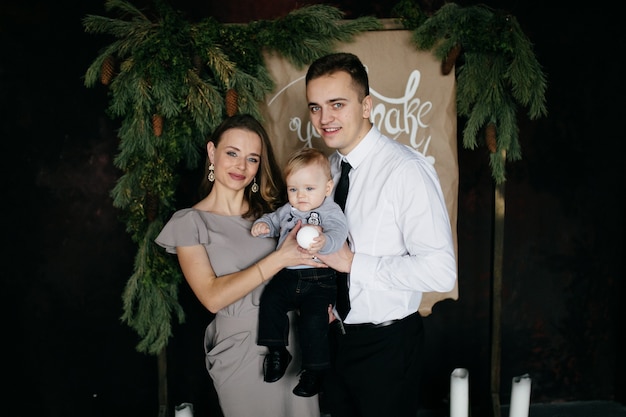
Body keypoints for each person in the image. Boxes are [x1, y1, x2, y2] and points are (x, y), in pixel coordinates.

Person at [305, 52, 458, 417]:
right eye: (315, 107)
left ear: (366, 106)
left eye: (337, 104)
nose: (324, 119)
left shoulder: (406, 170)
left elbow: (441, 271)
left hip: (386, 346)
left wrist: (354, 263)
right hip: (335, 339)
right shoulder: (328, 170)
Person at [154, 114, 321, 417]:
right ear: (211, 153)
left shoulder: (276, 216)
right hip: (240, 349)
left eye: (252, 159)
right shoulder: (189, 222)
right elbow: (212, 296)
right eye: (232, 153)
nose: (241, 167)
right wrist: (279, 258)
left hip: (293, 340)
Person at [251, 147, 348, 397]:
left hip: (319, 280)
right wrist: (264, 224)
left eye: (308, 189)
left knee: (314, 321)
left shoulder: (329, 211)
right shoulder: (288, 210)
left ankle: (313, 372)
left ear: (327, 188)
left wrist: (326, 241)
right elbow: (274, 220)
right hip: (288, 275)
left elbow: (339, 233)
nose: (300, 196)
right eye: (293, 189)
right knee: (270, 301)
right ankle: (277, 351)